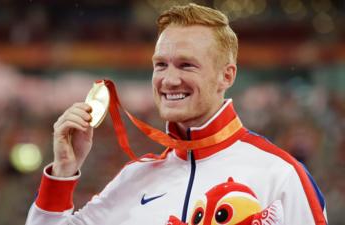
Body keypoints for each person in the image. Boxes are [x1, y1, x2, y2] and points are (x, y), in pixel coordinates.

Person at [25, 3, 327, 225]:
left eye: (186, 65)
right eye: (161, 65)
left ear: (227, 76)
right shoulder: (135, 178)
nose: (169, 80)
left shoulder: (279, 175)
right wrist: (63, 172)